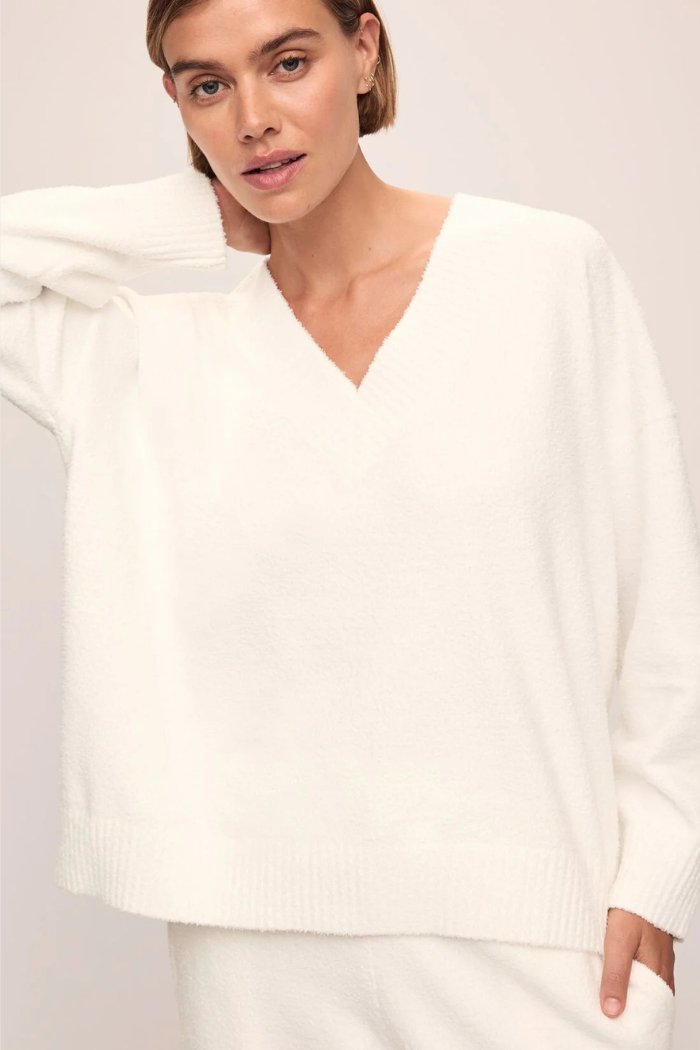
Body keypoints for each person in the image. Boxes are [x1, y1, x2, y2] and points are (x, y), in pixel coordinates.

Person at [2, 0, 699, 1047]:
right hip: (253, 945)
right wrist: (195, 217)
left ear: (364, 48)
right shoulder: (140, 355)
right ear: (176, 101)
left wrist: (656, 872)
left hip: (526, 920)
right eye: (208, 84)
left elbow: (661, 602)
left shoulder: (545, 273)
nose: (252, 118)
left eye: (287, 63)